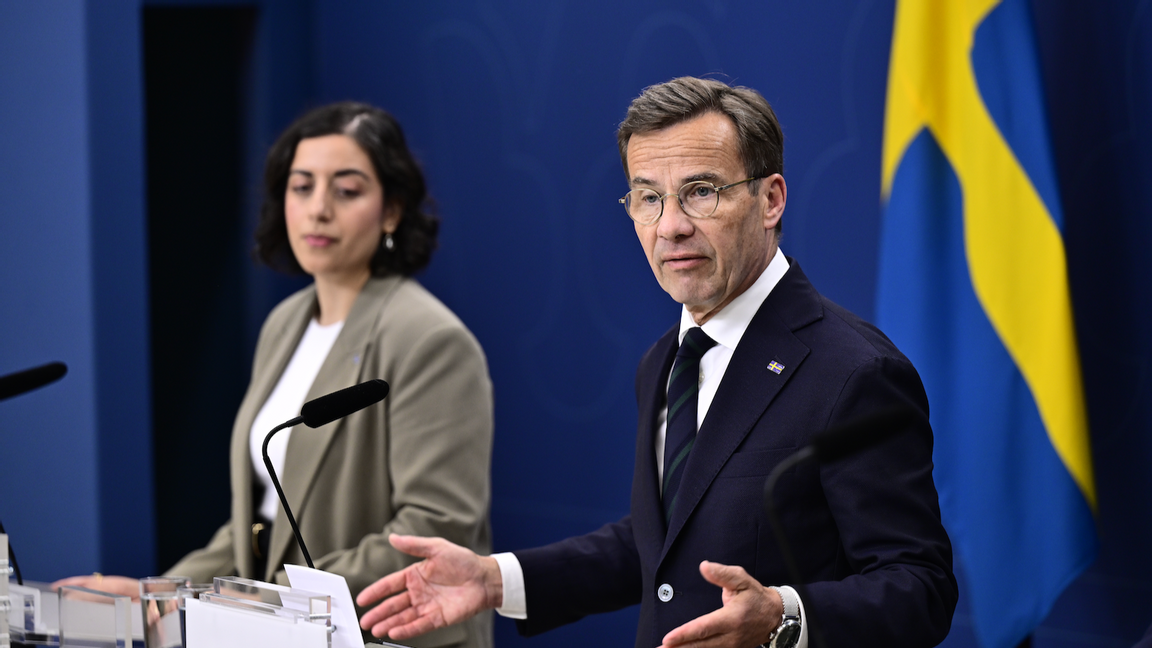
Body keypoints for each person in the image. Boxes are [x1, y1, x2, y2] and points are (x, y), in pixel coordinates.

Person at [355, 77, 957, 648]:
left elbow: (920, 588)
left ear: (770, 199)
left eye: (701, 192)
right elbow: (662, 544)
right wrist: (499, 580)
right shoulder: (663, 361)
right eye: (648, 197)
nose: (670, 226)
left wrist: (783, 617)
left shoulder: (853, 372)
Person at [54, 102, 494, 648]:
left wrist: (261, 601)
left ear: (391, 211)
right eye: (301, 187)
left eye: (347, 190)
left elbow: (432, 533)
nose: (318, 210)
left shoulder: (430, 341)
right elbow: (262, 522)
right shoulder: (284, 324)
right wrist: (157, 593)